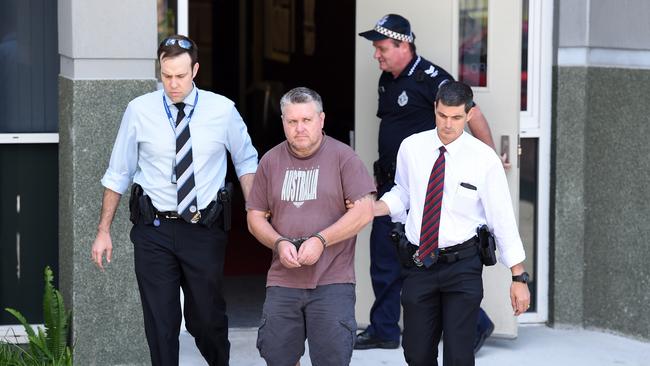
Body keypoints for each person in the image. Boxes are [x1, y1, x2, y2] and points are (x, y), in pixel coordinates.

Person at [90, 34, 258, 366]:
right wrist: (103, 230)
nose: (173, 83)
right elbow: (118, 171)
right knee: (161, 324)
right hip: (153, 230)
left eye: (180, 75)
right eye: (166, 75)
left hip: (204, 229)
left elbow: (246, 161)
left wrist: (254, 213)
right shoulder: (139, 110)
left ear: (195, 69)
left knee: (205, 319)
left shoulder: (222, 110)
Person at [356, 13, 502, 351]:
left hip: (425, 189)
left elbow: (472, 113)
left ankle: (476, 325)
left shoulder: (429, 77)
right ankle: (385, 329)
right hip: (393, 185)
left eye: (381, 48)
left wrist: (489, 160)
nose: (376, 55)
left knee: (426, 260)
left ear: (403, 44)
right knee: (384, 257)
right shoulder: (388, 78)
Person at [375, 81, 530, 365]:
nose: (448, 124)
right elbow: (403, 193)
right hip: (419, 263)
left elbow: (502, 218)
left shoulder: (484, 160)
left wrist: (518, 277)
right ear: (435, 108)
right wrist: (376, 208)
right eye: (443, 115)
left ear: (469, 115)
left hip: (463, 266)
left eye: (456, 117)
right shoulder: (412, 147)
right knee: (416, 353)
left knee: (459, 356)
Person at [246, 87, 375, 365]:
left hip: (333, 281)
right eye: (292, 122)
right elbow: (255, 216)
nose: (299, 128)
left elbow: (365, 211)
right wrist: (279, 243)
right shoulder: (270, 161)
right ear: (283, 122)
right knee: (278, 358)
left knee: (331, 360)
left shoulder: (344, 158)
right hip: (283, 282)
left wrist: (321, 240)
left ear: (322, 120)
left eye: (307, 120)